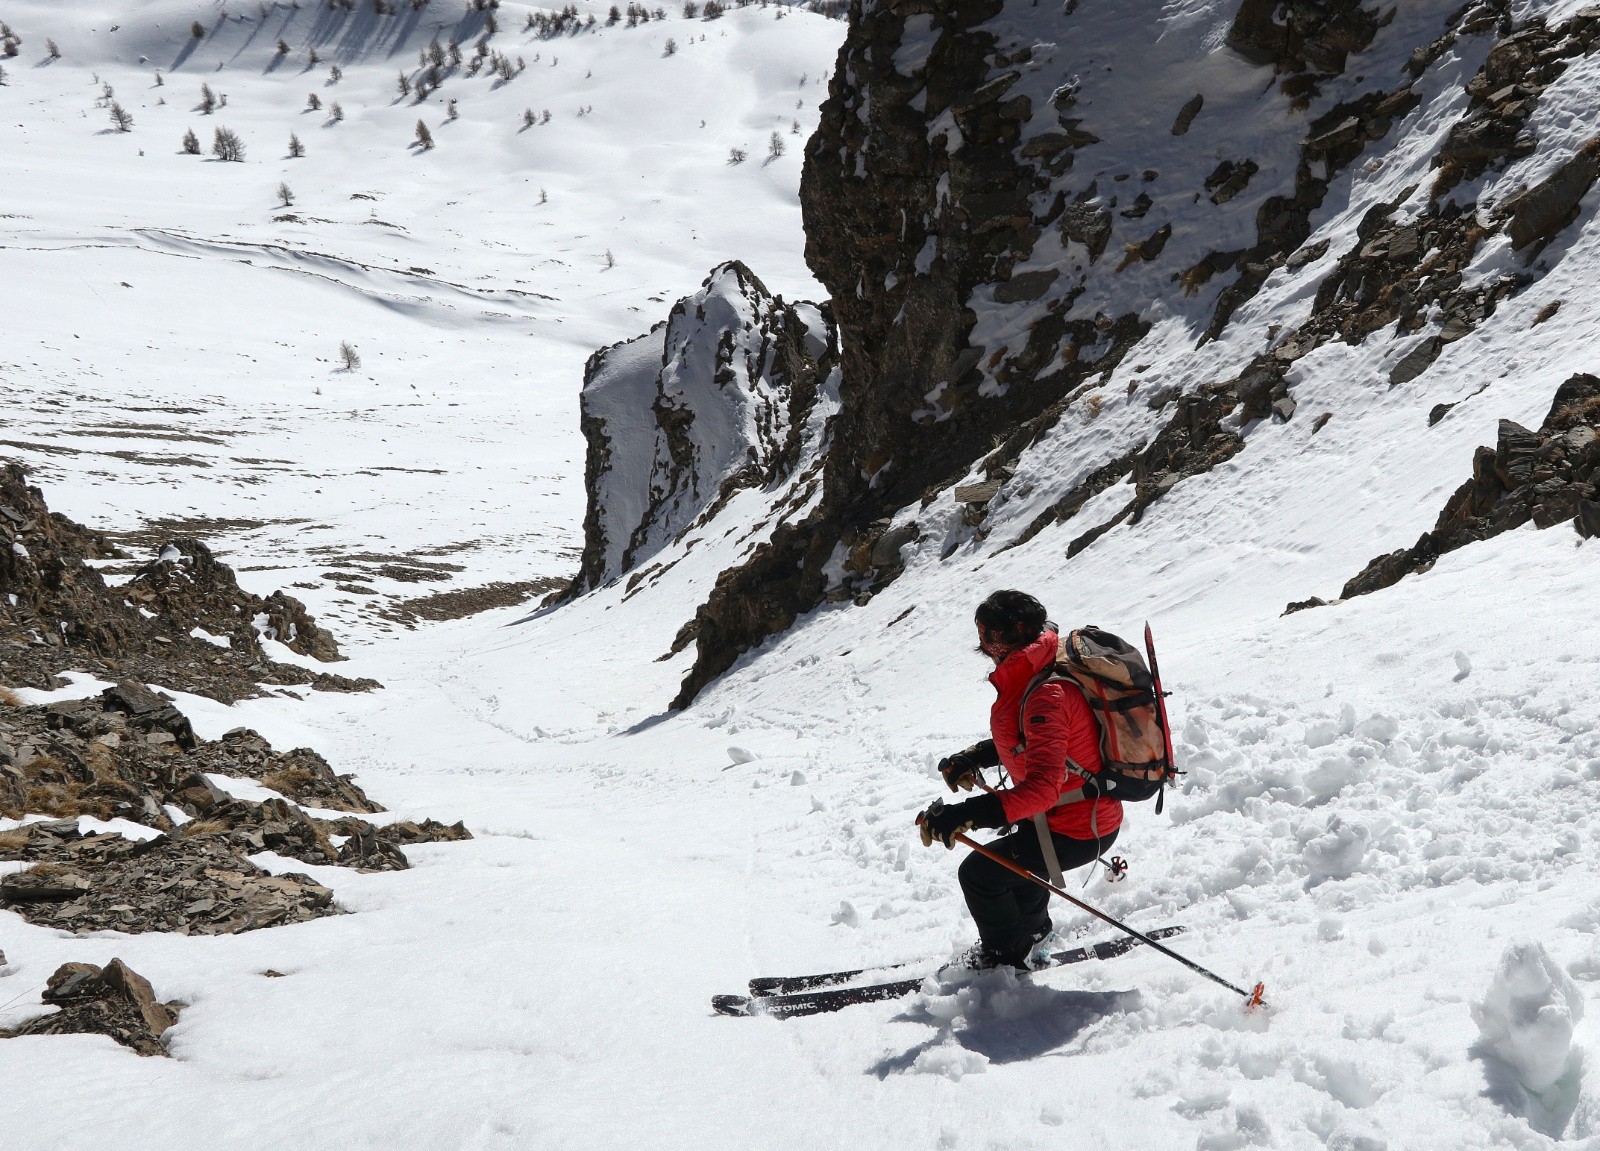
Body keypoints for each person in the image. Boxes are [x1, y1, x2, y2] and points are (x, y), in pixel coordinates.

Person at [915, 589, 1122, 970]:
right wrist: (975, 757)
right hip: (1060, 818)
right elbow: (1027, 738)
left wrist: (970, 813)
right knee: (1017, 868)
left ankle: (1005, 957)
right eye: (983, 636)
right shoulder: (1033, 673)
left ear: (1020, 632)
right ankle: (1034, 937)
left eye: (993, 636)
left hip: (1077, 826)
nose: (987, 646)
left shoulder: (1047, 692)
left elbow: (1043, 788)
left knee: (981, 875)